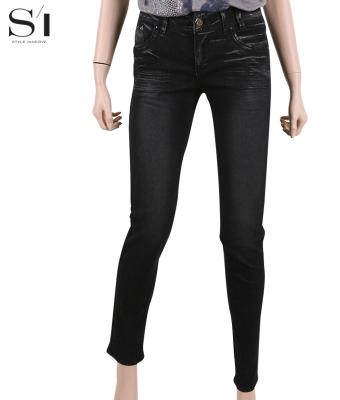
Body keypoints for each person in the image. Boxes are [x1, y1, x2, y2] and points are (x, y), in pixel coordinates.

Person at [92, 0, 307, 399]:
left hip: (241, 44)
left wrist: (296, 84)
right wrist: (99, 75)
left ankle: (246, 389)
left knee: (243, 235)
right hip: (160, 45)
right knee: (149, 227)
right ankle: (125, 377)